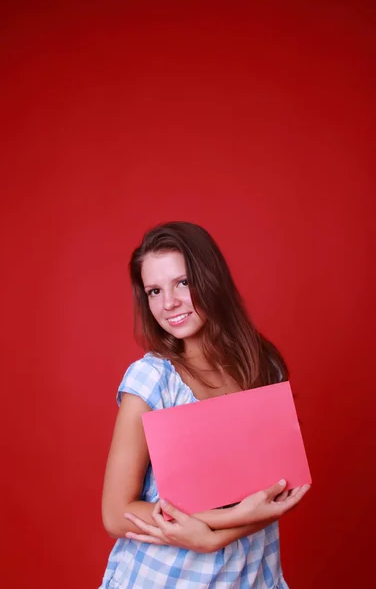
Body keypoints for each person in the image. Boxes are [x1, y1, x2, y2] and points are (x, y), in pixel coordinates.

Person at [98, 221, 310, 589]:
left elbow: (283, 490)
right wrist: (220, 531)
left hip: (252, 576)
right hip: (165, 579)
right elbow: (117, 514)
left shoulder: (261, 366)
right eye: (154, 291)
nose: (169, 303)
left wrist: (216, 535)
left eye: (182, 282)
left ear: (212, 279)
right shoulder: (152, 379)